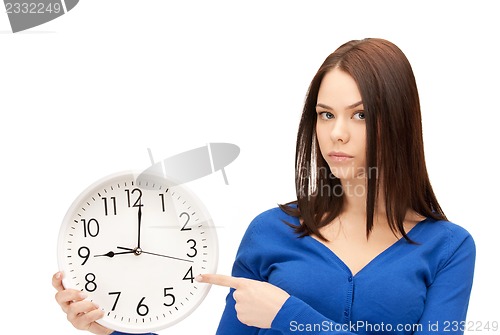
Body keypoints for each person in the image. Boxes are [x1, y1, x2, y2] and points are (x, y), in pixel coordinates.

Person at [53, 38, 476, 335]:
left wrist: (287, 315)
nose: (337, 134)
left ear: (399, 123)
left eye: (360, 115)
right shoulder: (271, 231)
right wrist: (116, 328)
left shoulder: (449, 248)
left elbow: (285, 317)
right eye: (325, 115)